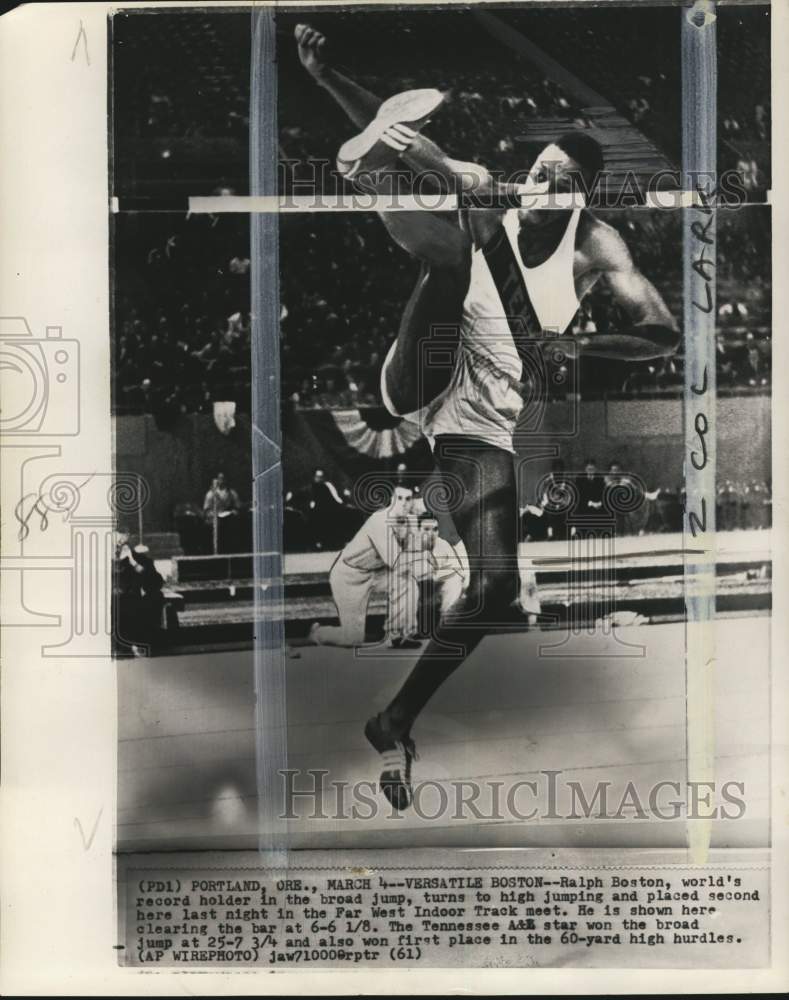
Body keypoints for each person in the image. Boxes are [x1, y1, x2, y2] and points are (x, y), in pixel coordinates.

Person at [295, 24, 680, 809]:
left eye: (558, 181)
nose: (540, 187)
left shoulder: (598, 247)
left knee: (497, 584)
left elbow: (659, 333)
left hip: (474, 421)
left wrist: (576, 352)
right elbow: (405, 128)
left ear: (580, 196)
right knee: (453, 229)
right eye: (538, 172)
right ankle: (363, 170)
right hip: (422, 364)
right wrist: (328, 73)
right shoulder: (494, 193)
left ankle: (394, 720)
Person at [309, 486, 421, 649]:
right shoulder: (380, 521)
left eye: (408, 499)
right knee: (352, 639)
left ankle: (398, 634)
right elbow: (397, 561)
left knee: (407, 581)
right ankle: (318, 633)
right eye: (400, 498)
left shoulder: (409, 521)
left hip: (378, 572)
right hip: (349, 576)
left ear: (412, 502)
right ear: (392, 500)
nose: (404, 503)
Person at [203, 471, 241, 553]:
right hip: (215, 521)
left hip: (228, 520)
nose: (222, 481)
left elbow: (237, 507)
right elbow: (206, 510)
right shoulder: (210, 494)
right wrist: (213, 514)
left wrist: (234, 512)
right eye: (220, 479)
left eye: (223, 479)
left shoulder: (232, 493)